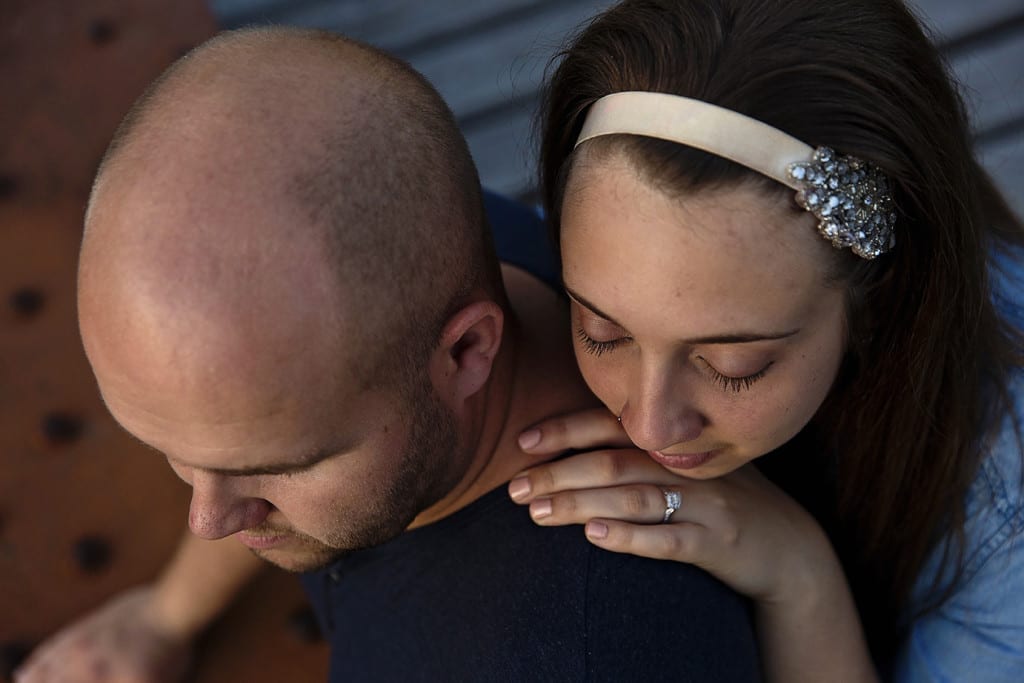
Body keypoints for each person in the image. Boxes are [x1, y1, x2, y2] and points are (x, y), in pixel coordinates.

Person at [14, 26, 762, 682]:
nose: (209, 517)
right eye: (167, 446)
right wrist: (164, 616)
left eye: (290, 462)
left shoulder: (581, 652)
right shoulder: (424, 255)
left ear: (467, 350)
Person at [504, 0, 1024, 680]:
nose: (649, 421)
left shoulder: (1005, 510)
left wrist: (800, 576)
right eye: (603, 332)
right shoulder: (619, 201)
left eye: (734, 365)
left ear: (878, 298)